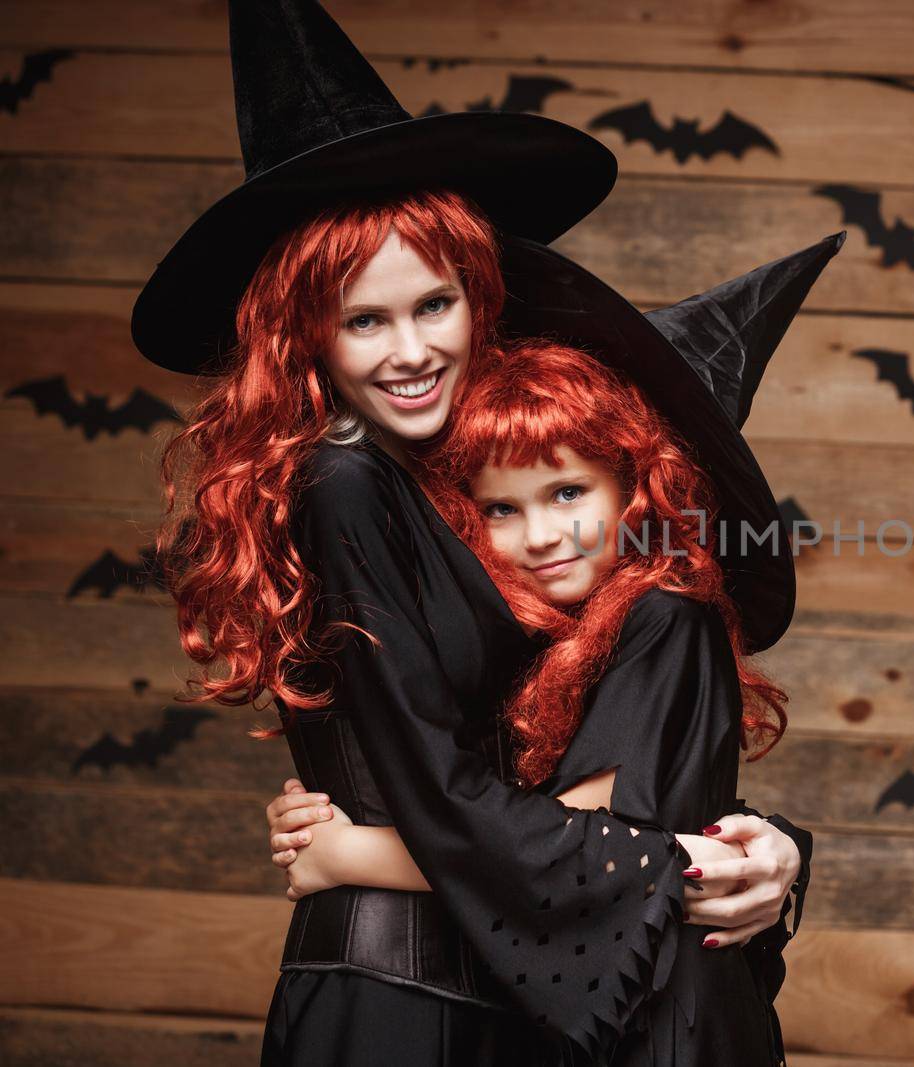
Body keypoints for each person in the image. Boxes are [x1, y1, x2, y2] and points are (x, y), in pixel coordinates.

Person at [131, 1, 842, 1062]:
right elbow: (451, 791)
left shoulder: (478, 491)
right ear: (302, 332)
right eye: (364, 320)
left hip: (499, 1001)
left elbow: (585, 773)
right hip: (398, 992)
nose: (410, 350)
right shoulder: (344, 481)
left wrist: (767, 849)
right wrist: (352, 854)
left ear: (481, 297)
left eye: (436, 305)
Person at [268, 338, 801, 1064]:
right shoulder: (558, 638)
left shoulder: (668, 615)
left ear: (632, 488)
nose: (542, 535)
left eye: (568, 492)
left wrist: (345, 853)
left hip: (671, 1027)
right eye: (500, 509)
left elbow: (568, 850)